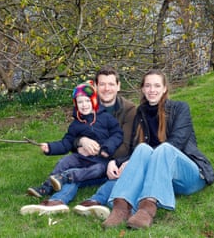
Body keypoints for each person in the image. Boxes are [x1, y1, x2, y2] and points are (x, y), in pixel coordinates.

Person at [101, 69, 214, 229]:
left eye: (156, 85)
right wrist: (117, 162)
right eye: (147, 86)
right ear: (142, 89)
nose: (152, 90)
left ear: (164, 89)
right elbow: (135, 149)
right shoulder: (140, 112)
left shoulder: (180, 108)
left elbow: (177, 142)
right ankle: (121, 207)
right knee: (142, 149)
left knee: (165, 149)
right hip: (162, 180)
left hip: (190, 176)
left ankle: (147, 208)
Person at [21, 66, 136, 216]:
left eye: (111, 84)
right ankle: (54, 198)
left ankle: (85, 199)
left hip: (108, 162)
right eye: (102, 84)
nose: (107, 88)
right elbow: (69, 140)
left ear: (118, 86)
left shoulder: (129, 110)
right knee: (68, 166)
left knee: (79, 174)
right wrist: (79, 142)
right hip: (85, 159)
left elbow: (124, 141)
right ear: (95, 86)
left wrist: (107, 154)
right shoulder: (82, 113)